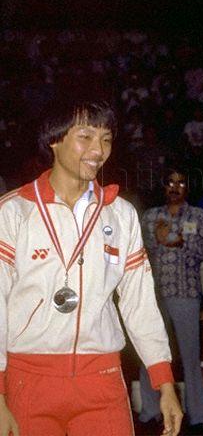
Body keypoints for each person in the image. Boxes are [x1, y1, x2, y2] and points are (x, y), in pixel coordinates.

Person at [0, 99, 182, 436]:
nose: (98, 150)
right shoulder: (12, 213)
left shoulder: (121, 214)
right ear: (54, 140)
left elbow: (138, 302)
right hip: (28, 380)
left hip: (102, 382)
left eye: (107, 139)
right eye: (86, 137)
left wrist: (164, 382)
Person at [139, 167, 203, 433]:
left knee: (190, 357)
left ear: (187, 187)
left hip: (186, 294)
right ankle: (149, 412)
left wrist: (180, 241)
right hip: (154, 297)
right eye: (170, 182)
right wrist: (158, 239)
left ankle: (197, 418)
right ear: (163, 186)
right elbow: (139, 252)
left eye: (180, 183)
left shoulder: (198, 215)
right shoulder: (150, 217)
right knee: (150, 354)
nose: (175, 187)